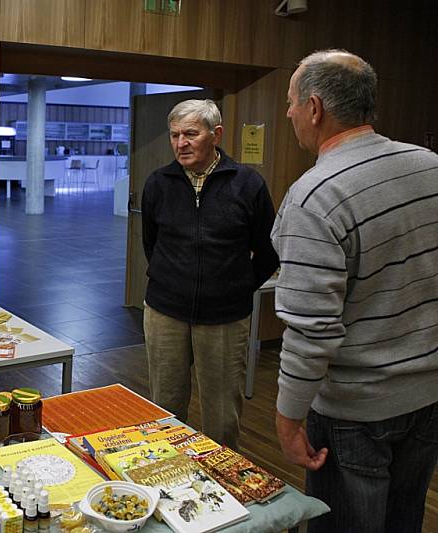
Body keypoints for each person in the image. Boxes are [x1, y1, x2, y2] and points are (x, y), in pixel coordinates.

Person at [273, 49, 438, 533]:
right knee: (403, 521)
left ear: (316, 108)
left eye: (291, 102)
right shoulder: (430, 165)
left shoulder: (315, 196)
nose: (287, 114)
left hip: (354, 411)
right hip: (428, 397)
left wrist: (287, 419)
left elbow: (312, 330)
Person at [141, 99, 278, 450]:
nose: (180, 143)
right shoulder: (159, 183)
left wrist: (238, 287)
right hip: (165, 312)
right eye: (174, 135)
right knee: (165, 408)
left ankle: (222, 487)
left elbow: (268, 251)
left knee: (221, 413)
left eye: (190, 133)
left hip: (224, 318)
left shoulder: (247, 184)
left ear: (215, 134)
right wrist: (168, 279)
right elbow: (151, 244)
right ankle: (167, 475)